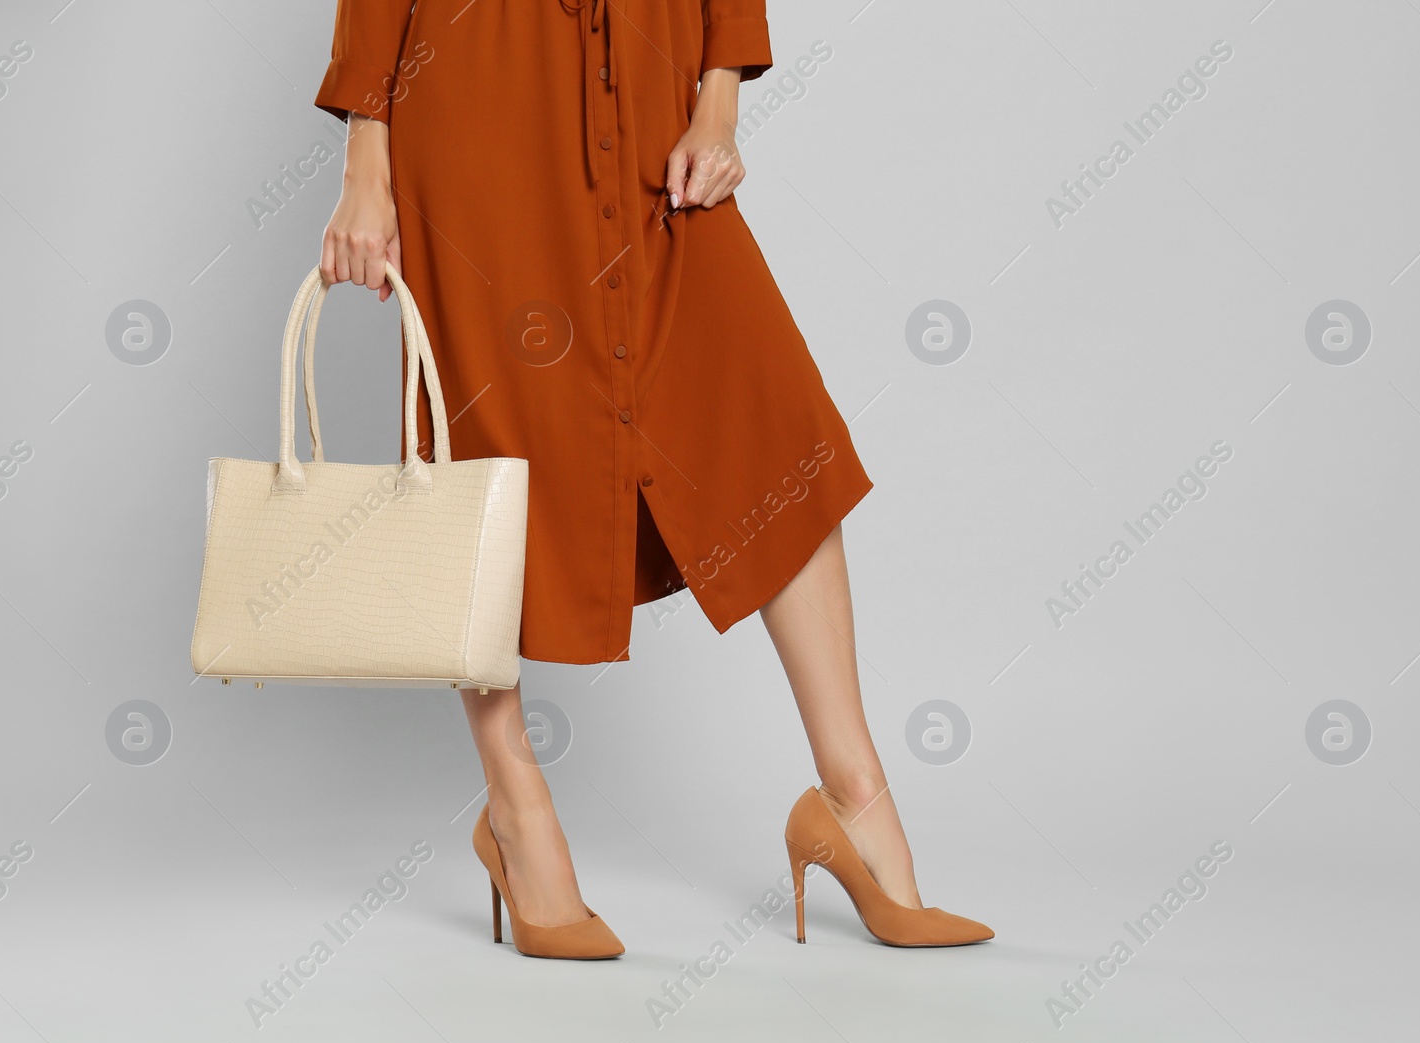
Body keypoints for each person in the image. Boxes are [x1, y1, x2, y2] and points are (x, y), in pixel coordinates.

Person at [314, 0, 991, 957]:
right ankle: (516, 807)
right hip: (478, 89)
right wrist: (366, 160)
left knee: (767, 423)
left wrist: (719, 102)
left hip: (652, 69)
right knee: (484, 451)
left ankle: (854, 796)